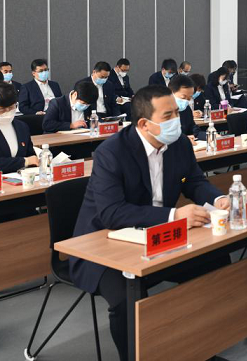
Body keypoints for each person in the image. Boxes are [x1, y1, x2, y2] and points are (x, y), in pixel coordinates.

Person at [69, 85, 230, 361]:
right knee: (127, 299)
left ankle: (198, 346)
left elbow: (193, 181)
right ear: (144, 124)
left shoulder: (179, 144)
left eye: (177, 113)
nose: (177, 120)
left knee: (215, 263)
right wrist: (174, 216)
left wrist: (219, 199)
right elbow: (112, 213)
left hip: (160, 237)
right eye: (168, 116)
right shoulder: (112, 152)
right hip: (104, 246)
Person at [169, 74, 206, 141]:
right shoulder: (161, 112)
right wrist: (185, 140)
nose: (186, 101)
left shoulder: (186, 109)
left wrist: (210, 136)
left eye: (189, 98)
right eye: (183, 97)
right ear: (171, 92)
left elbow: (195, 131)